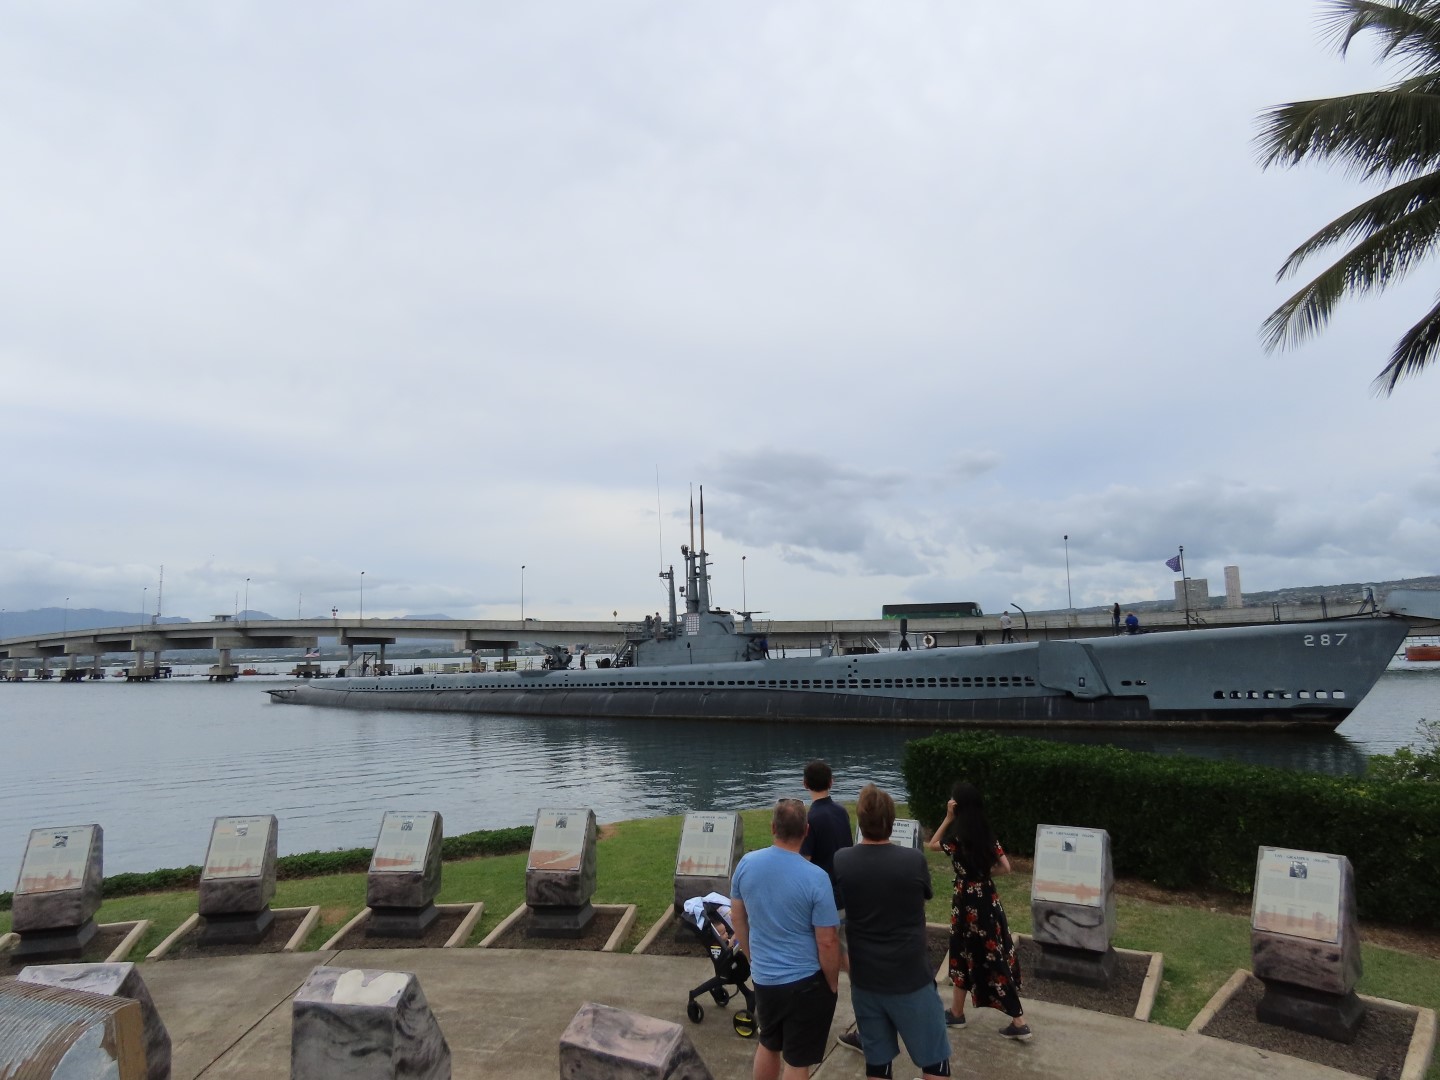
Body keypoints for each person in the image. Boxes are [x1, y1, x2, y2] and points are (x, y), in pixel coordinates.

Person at [833, 784, 952, 1080]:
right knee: (935, 1061)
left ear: (860, 821)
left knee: (878, 1062)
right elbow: (924, 894)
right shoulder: (913, 861)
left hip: (866, 979)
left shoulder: (842, 860)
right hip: (910, 975)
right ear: (891, 821)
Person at [730, 798, 842, 1080]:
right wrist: (832, 980)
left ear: (773, 828)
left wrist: (752, 958)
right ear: (806, 830)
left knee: (768, 1043)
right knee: (797, 1060)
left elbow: (738, 917)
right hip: (805, 982)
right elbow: (827, 940)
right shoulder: (816, 878)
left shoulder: (746, 864)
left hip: (765, 978)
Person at [925, 781, 1031, 1042]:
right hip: (988, 901)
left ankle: (1019, 1020)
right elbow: (1006, 867)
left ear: (957, 806)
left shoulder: (958, 839)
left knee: (986, 957)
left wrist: (948, 818)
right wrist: (983, 874)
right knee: (967, 953)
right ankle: (957, 1012)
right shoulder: (987, 835)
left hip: (965, 904)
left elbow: (932, 844)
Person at [799, 760, 852, 913]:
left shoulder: (810, 819)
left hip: (824, 896)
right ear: (831, 782)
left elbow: (805, 860)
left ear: (805, 784)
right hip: (845, 890)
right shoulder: (842, 812)